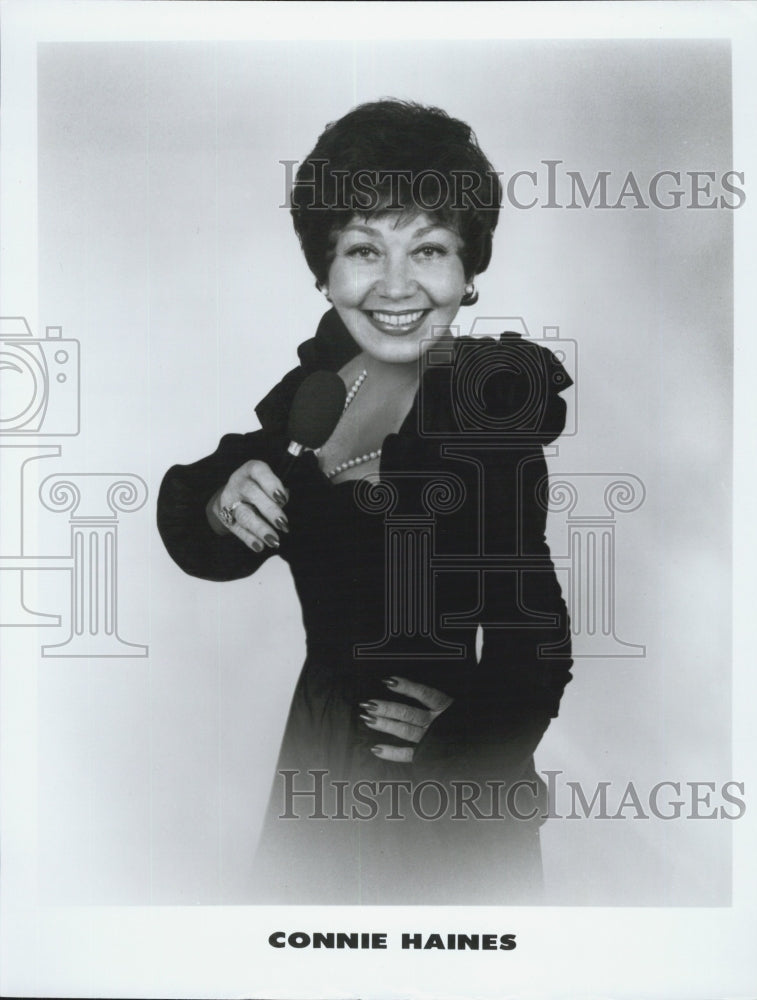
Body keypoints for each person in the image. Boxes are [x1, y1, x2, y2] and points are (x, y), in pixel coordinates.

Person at [157, 99, 573, 904]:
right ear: (324, 269)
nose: (394, 286)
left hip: (434, 793)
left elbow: (539, 636)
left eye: (428, 248)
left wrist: (460, 742)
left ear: (469, 269)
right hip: (316, 750)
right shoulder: (315, 387)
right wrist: (219, 501)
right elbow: (208, 509)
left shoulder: (485, 404)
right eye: (362, 249)